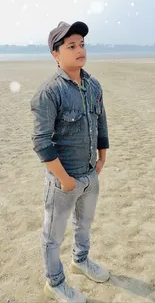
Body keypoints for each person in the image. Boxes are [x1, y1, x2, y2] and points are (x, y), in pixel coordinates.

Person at [30, 21, 110, 303]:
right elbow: (41, 142)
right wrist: (64, 180)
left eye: (82, 44)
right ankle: (55, 282)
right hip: (63, 181)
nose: (80, 50)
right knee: (53, 236)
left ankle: (81, 260)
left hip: (90, 175)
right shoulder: (49, 91)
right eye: (71, 46)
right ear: (56, 54)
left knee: (84, 225)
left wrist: (101, 158)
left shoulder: (93, 85)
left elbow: (101, 121)